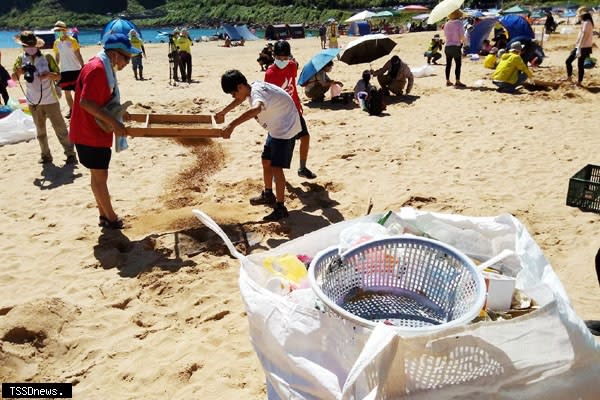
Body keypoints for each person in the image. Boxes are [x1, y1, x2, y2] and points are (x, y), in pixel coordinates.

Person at [68, 33, 142, 229]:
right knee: (100, 177)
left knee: (98, 176)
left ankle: (103, 214)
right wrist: (115, 124)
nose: (128, 62)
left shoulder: (102, 65)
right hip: (89, 132)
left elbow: (102, 100)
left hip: (91, 131)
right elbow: (86, 102)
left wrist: (118, 112)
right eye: (126, 57)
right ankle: (111, 217)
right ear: (114, 54)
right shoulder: (98, 69)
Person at [215, 70, 301, 221]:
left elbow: (256, 109)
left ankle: (281, 208)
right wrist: (224, 112)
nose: (234, 97)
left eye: (233, 93)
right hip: (275, 127)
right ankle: (268, 194)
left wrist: (232, 125)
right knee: (266, 161)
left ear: (240, 86)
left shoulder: (257, 94)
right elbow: (240, 99)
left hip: (285, 129)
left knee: (276, 168)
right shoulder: (251, 89)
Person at [12, 31, 76, 165]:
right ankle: (46, 156)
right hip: (33, 101)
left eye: (31, 45)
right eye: (26, 45)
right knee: (40, 131)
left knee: (60, 129)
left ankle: (70, 154)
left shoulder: (47, 57)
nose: (29, 48)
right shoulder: (20, 58)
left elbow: (59, 76)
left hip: (50, 100)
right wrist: (18, 72)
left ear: (36, 45)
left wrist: (48, 75)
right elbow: (13, 79)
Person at [265, 40, 316, 179]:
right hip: (280, 114)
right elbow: (269, 97)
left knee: (305, 137)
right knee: (280, 145)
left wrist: (298, 106)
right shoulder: (270, 73)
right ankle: (276, 173)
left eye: (285, 58)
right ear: (274, 56)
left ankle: (302, 168)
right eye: (279, 58)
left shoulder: (291, 66)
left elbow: (293, 81)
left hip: (294, 110)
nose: (282, 61)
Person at [52, 20, 84, 119]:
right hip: (64, 71)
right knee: (67, 92)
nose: (58, 32)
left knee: (79, 92)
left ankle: (82, 110)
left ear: (64, 30)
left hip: (75, 69)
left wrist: (83, 66)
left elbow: (78, 54)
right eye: (56, 30)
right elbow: (57, 57)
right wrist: (55, 68)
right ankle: (73, 111)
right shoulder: (56, 42)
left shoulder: (72, 40)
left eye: (59, 30)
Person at [564, 11, 594, 87]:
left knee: (576, 64)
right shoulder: (587, 22)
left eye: (580, 15)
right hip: (582, 47)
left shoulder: (587, 23)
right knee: (570, 62)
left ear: (583, 15)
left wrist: (579, 48)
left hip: (583, 47)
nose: (579, 17)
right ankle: (569, 77)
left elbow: (584, 36)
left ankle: (579, 82)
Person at [443, 9, 466, 87]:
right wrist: (463, 42)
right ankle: (457, 81)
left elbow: (445, 35)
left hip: (447, 46)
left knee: (448, 64)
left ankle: (448, 81)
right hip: (455, 46)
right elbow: (462, 35)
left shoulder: (446, 24)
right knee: (458, 64)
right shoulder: (459, 23)